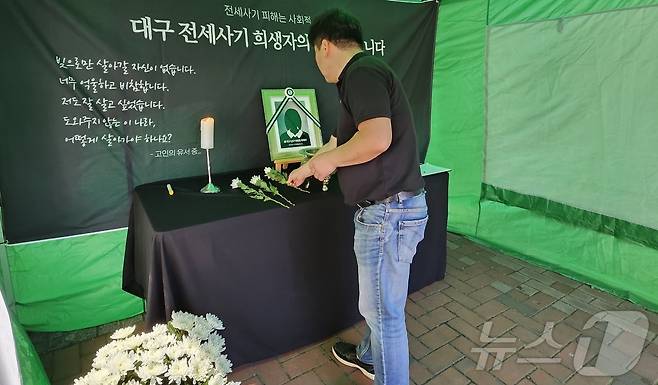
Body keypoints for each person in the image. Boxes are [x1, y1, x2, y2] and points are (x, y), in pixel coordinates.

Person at [288, 9, 428, 385]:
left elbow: (376, 139)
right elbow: (340, 141)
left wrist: (328, 161)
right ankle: (369, 356)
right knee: (382, 305)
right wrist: (307, 166)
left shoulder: (361, 73)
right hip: (392, 210)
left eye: (315, 55)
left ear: (325, 45)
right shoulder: (360, 76)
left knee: (384, 314)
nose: (317, 64)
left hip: (388, 212)